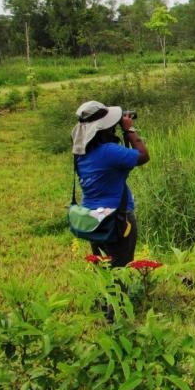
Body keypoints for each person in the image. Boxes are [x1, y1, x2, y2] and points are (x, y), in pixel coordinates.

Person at [71, 101, 150, 267]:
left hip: (92, 218)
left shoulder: (81, 153)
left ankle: (107, 293)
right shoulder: (109, 151)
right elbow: (143, 156)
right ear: (103, 129)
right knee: (121, 268)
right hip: (116, 219)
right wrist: (129, 129)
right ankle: (121, 293)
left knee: (105, 268)